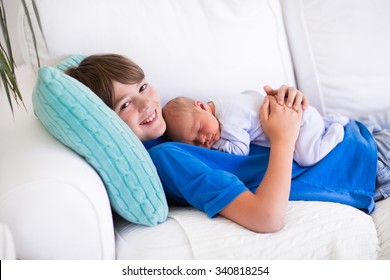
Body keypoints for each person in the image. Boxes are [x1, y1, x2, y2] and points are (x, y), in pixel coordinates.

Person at [65, 54, 387, 233]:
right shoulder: (169, 158)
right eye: (124, 105)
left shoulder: (174, 127)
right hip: (363, 164)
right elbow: (267, 218)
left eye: (144, 87)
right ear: (106, 120)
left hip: (348, 131)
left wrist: (290, 105)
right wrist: (284, 136)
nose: (146, 104)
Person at [162, 92, 350, 167]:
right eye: (195, 142)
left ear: (201, 106)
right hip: (300, 118)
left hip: (301, 122)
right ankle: (326, 123)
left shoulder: (227, 122)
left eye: (199, 129)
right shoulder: (223, 103)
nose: (203, 140)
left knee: (307, 158)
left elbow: (240, 151)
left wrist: (216, 145)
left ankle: (335, 128)